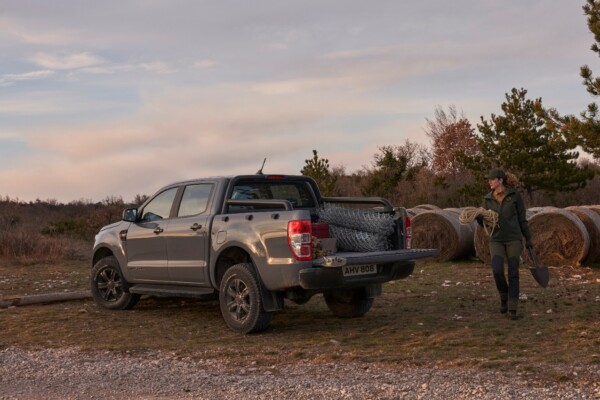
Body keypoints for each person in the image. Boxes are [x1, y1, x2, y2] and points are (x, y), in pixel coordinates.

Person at [477, 169, 532, 320]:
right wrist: (479, 218)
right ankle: (504, 298)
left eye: (492, 179)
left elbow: (522, 219)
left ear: (500, 180)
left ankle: (512, 307)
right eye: (489, 179)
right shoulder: (487, 199)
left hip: (513, 239)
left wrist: (528, 239)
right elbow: (484, 223)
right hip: (496, 240)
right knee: (497, 271)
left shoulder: (514, 196)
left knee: (513, 273)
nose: (489, 181)